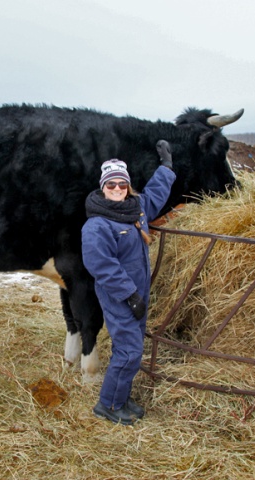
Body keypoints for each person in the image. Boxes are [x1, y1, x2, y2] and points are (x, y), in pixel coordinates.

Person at [81, 140, 176, 425]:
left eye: (122, 184)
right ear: (103, 187)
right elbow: (103, 267)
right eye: (111, 185)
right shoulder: (97, 225)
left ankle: (120, 397)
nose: (118, 189)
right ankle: (108, 405)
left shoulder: (136, 209)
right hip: (119, 295)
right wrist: (130, 295)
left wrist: (167, 169)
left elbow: (156, 194)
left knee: (131, 347)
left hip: (137, 294)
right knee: (129, 349)